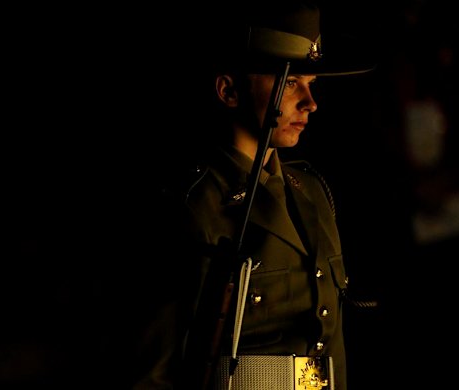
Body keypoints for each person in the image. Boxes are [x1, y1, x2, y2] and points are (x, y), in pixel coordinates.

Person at [126, 1, 375, 389]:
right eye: (290, 82)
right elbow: (152, 370)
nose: (310, 102)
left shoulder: (311, 191)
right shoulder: (195, 206)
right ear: (229, 90)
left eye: (311, 84)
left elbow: (331, 346)